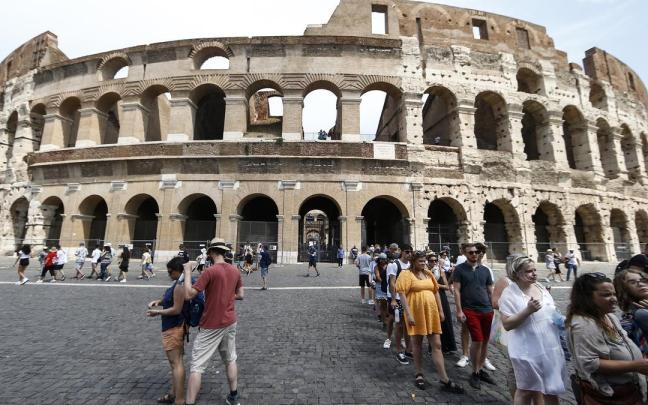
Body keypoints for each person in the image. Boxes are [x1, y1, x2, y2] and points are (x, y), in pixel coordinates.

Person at [567, 272, 648, 404]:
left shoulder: (609, 316)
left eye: (614, 294)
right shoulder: (584, 324)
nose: (614, 299)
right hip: (611, 395)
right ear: (587, 297)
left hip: (629, 390)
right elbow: (590, 363)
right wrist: (634, 365)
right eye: (606, 295)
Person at [499, 255, 567, 404]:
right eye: (529, 271)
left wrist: (560, 320)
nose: (534, 273)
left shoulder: (540, 287)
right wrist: (527, 311)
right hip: (526, 350)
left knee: (551, 389)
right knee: (525, 390)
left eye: (535, 270)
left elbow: (550, 311)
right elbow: (507, 324)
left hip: (549, 347)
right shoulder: (509, 294)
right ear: (516, 273)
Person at [183, 239, 244, 405]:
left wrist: (188, 271)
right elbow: (241, 294)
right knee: (230, 359)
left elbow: (189, 295)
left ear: (211, 252)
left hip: (211, 324)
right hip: (230, 321)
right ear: (224, 252)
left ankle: (189, 402)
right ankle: (233, 395)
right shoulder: (235, 270)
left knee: (197, 365)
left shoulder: (209, 272)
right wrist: (226, 297)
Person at [397, 250, 465, 393]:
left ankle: (444, 378)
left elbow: (435, 292)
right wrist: (408, 314)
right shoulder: (406, 274)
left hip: (431, 313)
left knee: (437, 344)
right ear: (413, 261)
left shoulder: (428, 274)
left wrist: (440, 311)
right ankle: (418, 373)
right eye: (420, 261)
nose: (423, 263)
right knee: (417, 344)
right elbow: (402, 294)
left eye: (424, 261)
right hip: (415, 313)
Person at [453, 243, 496, 389]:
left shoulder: (485, 270)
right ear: (465, 254)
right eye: (470, 252)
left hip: (487, 309)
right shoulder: (459, 269)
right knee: (477, 340)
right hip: (470, 310)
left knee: (485, 341)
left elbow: (491, 291)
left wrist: (494, 307)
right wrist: (459, 310)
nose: (474, 254)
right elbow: (456, 291)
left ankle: (480, 368)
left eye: (476, 252)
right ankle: (475, 372)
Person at [147, 257, 187, 405]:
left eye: (171, 271)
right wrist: (160, 302)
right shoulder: (178, 283)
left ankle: (180, 399)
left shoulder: (180, 285)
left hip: (174, 328)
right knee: (175, 363)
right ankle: (173, 394)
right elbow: (172, 300)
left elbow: (176, 309)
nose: (169, 274)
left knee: (176, 363)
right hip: (175, 327)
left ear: (179, 270)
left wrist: (157, 312)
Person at [388, 244, 413, 365]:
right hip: (398, 298)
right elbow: (392, 283)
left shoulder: (411, 265)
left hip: (410, 299)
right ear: (401, 252)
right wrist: (393, 299)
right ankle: (399, 350)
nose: (409, 254)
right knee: (399, 325)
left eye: (410, 252)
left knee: (408, 325)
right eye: (407, 252)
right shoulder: (394, 265)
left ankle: (408, 349)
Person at [614, 268, 648, 355]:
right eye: (632, 282)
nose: (640, 284)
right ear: (624, 289)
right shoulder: (640, 313)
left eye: (643, 280)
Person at [428, 252, 456, 353]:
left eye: (435, 260)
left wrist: (435, 285)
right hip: (430, 298)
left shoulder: (441, 271)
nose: (434, 262)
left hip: (441, 297)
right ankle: (433, 346)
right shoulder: (425, 271)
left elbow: (447, 287)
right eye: (431, 261)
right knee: (433, 321)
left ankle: (447, 346)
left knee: (445, 320)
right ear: (428, 262)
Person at [373, 253, 394, 349]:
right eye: (381, 259)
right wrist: (382, 281)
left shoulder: (389, 265)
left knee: (388, 305)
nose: (382, 261)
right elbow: (377, 276)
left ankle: (388, 319)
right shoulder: (376, 267)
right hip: (380, 286)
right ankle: (385, 322)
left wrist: (389, 284)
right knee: (383, 304)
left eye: (384, 259)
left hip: (388, 286)